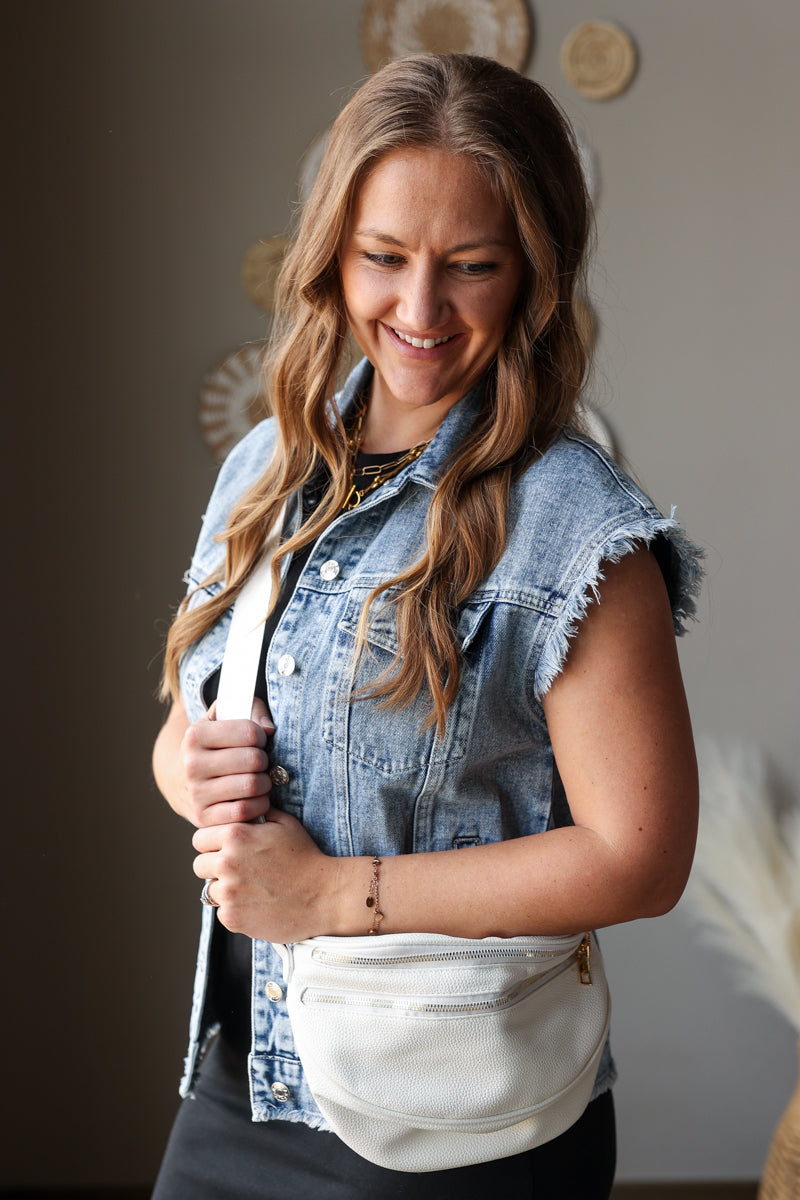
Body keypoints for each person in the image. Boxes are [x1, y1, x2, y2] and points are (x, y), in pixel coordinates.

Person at [151, 53, 701, 1200]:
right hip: (240, 1082)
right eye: (383, 259)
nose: (417, 309)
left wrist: (330, 897)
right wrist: (186, 767)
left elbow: (639, 856)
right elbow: (189, 720)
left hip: (456, 1124)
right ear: (331, 256)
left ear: (534, 275)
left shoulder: (575, 526)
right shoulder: (267, 470)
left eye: (471, 267)